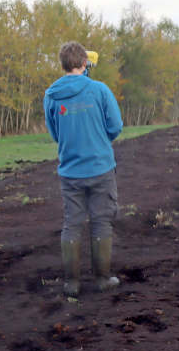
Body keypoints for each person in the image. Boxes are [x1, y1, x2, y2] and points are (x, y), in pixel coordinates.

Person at [43, 41, 123, 297]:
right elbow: (116, 125)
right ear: (83, 63)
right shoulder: (99, 90)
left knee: (72, 223)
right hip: (100, 166)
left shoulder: (50, 95)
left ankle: (72, 284)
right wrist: (100, 138)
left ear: (64, 64)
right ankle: (102, 279)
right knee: (101, 222)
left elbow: (55, 133)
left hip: (70, 170)